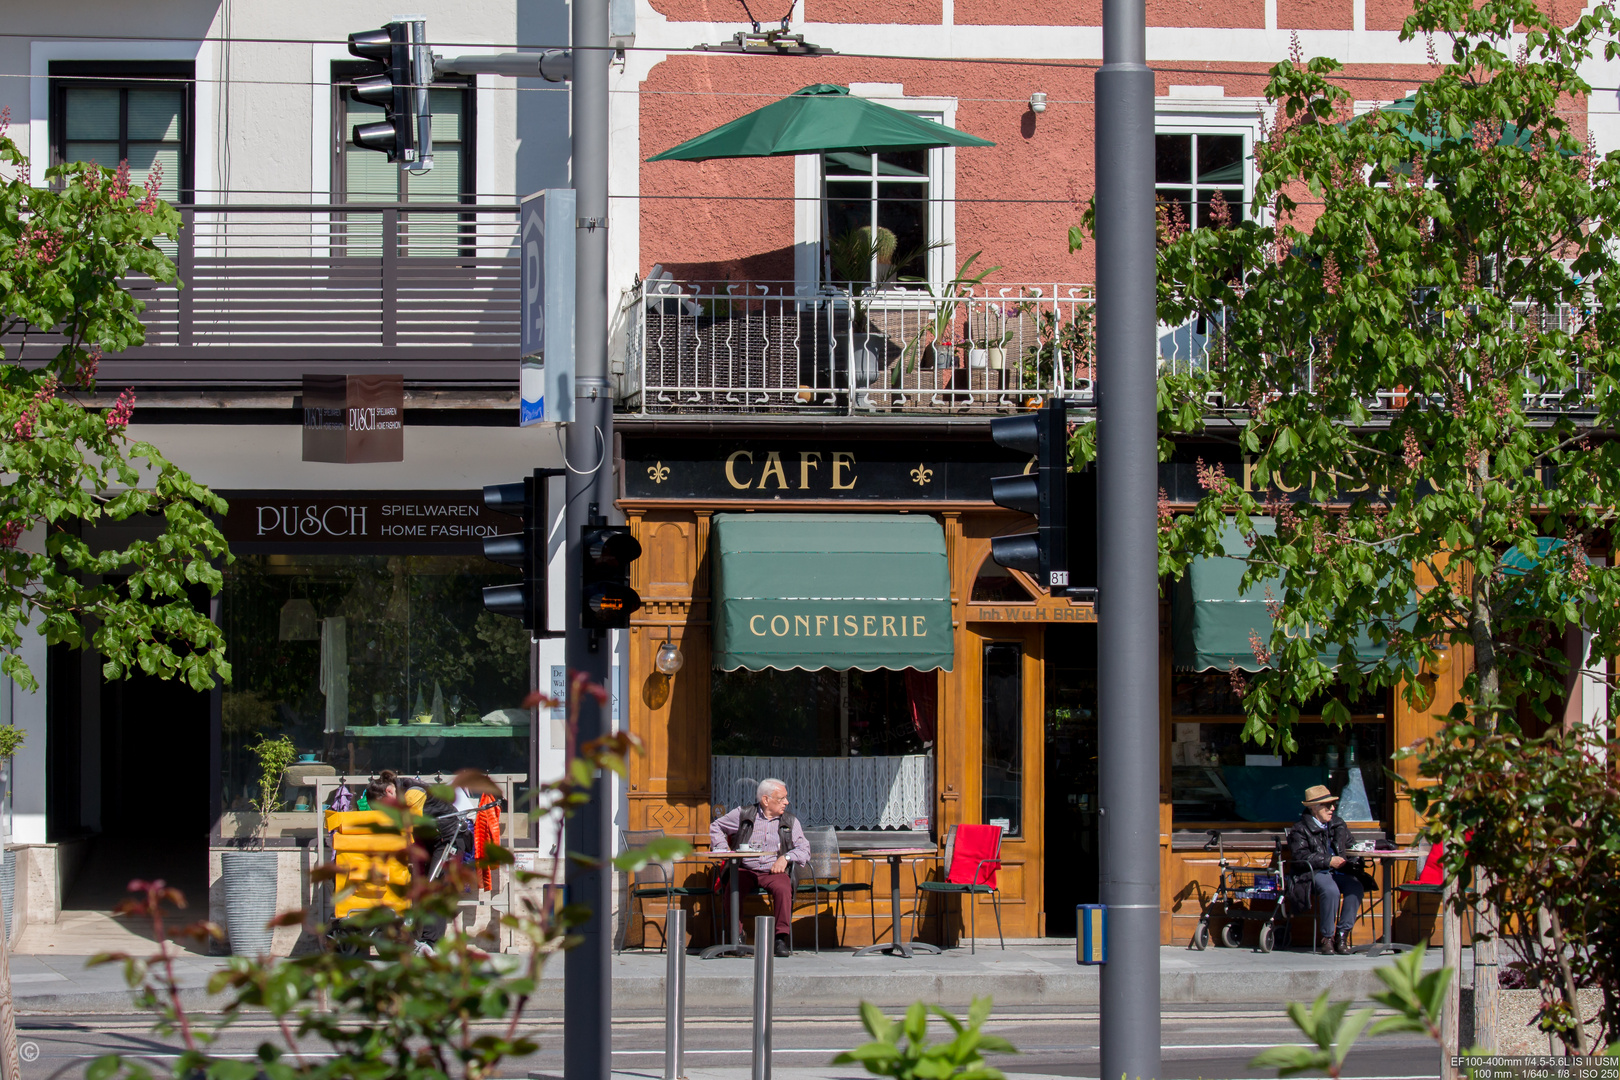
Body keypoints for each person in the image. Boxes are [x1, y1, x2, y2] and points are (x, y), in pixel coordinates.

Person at [364, 769, 465, 955]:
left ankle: (430, 944)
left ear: (387, 792)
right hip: (430, 840)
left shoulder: (412, 792)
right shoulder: (400, 792)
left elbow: (410, 824)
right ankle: (417, 938)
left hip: (448, 839)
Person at [709, 778, 810, 957]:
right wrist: (723, 849)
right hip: (746, 868)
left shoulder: (790, 821)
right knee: (733, 888)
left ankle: (780, 939)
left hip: (773, 870)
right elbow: (716, 826)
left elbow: (804, 850)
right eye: (781, 799)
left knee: (783, 888)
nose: (786, 802)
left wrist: (785, 858)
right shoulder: (743, 814)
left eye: (786, 798)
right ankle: (737, 936)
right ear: (766, 800)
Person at [1286, 784, 1371, 955]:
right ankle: (1327, 938)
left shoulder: (1338, 824)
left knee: (1355, 887)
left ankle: (1342, 935)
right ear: (1313, 808)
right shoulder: (1300, 829)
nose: (1332, 809)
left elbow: (1350, 845)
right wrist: (1328, 861)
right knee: (1330, 890)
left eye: (1333, 804)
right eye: (1327, 805)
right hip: (1313, 872)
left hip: (1339, 871)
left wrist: (1355, 859)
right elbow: (1300, 857)